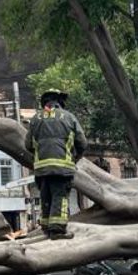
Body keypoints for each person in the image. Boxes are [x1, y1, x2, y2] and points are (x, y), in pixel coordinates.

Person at [24, 88, 88, 240]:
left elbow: (28, 145)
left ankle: (46, 228)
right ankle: (58, 230)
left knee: (46, 197)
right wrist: (74, 158)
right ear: (59, 101)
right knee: (60, 197)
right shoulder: (69, 117)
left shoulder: (35, 119)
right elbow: (82, 143)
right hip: (62, 169)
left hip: (41, 170)